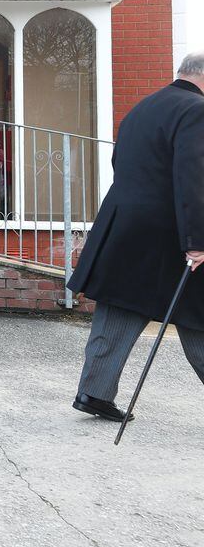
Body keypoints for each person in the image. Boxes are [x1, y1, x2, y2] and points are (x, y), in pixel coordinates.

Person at [68, 50, 204, 422]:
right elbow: (192, 178)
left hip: (124, 225)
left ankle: (94, 392)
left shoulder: (144, 107)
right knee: (197, 315)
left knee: (119, 307)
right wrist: (197, 241)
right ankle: (94, 392)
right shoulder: (196, 110)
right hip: (168, 233)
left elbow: (120, 163)